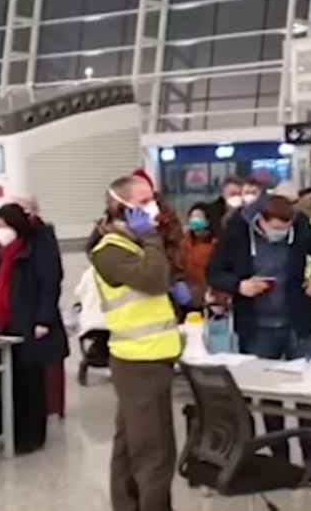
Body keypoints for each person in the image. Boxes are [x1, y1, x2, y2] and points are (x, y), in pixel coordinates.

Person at [205, 193, 311, 473]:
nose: (281, 234)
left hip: (297, 323)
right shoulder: (237, 231)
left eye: (286, 229)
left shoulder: (302, 226)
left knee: (306, 397)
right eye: (276, 229)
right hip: (258, 326)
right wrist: (240, 285)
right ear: (262, 221)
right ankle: (280, 460)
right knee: (269, 398)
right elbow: (214, 271)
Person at [89, 175, 182, 511]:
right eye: (143, 202)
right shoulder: (110, 249)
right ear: (120, 207)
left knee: (129, 445)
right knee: (155, 452)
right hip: (139, 360)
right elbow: (154, 279)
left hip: (150, 355)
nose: (151, 207)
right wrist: (152, 237)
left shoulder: (131, 243)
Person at [0, 203, 69, 454]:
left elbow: (49, 284)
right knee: (13, 380)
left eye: (4, 226)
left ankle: (32, 436)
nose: (1, 232)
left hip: (30, 323)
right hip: (7, 322)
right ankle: (14, 432)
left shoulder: (36, 247)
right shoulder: (1, 253)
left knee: (31, 382)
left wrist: (43, 320)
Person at [182, 203, 217, 308]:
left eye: (199, 217)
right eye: (192, 217)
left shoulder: (215, 244)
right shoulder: (183, 241)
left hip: (208, 296)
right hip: (186, 295)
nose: (194, 220)